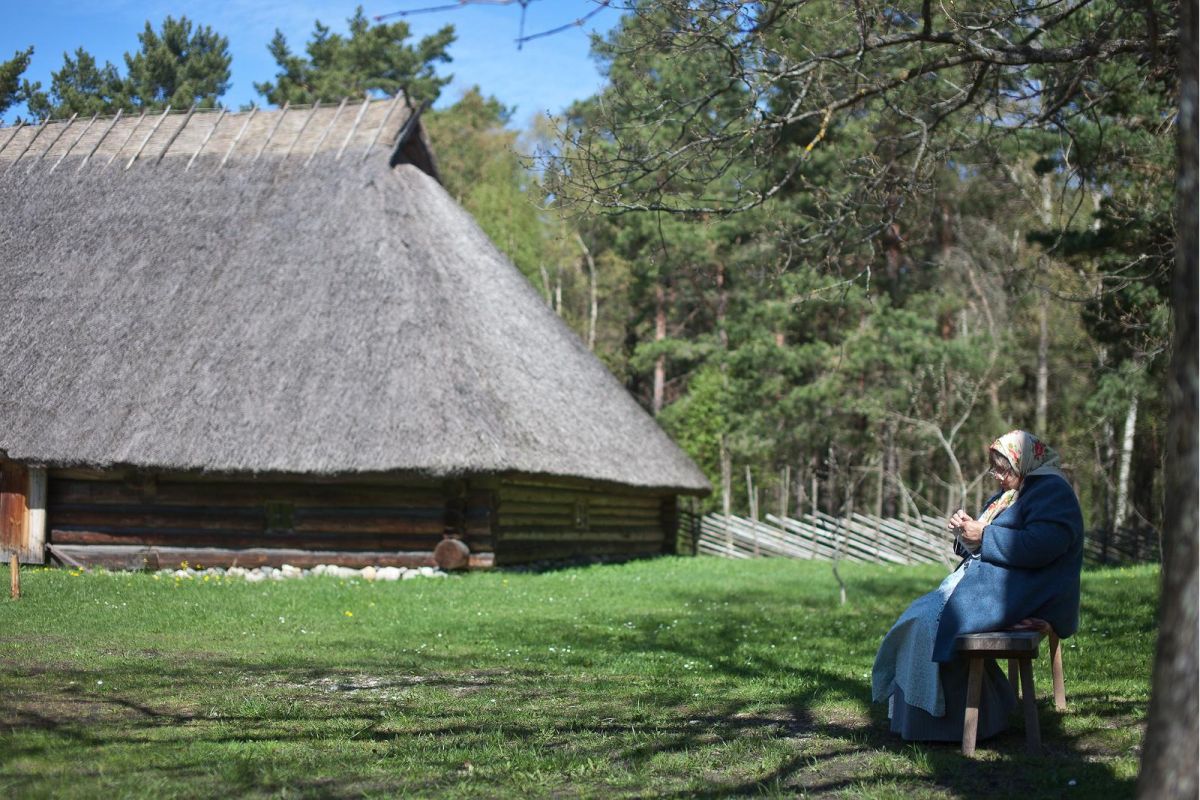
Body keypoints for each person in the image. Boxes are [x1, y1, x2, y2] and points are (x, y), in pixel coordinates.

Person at [871, 430, 1084, 742]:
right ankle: (963, 715)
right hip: (999, 586)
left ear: (1023, 463)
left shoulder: (1052, 491)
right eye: (993, 468)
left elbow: (1043, 545)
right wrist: (965, 533)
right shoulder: (1011, 494)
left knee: (931, 623)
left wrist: (983, 536)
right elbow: (987, 542)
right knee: (917, 619)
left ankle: (956, 724)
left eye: (1002, 468)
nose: (996, 476)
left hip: (1027, 591)